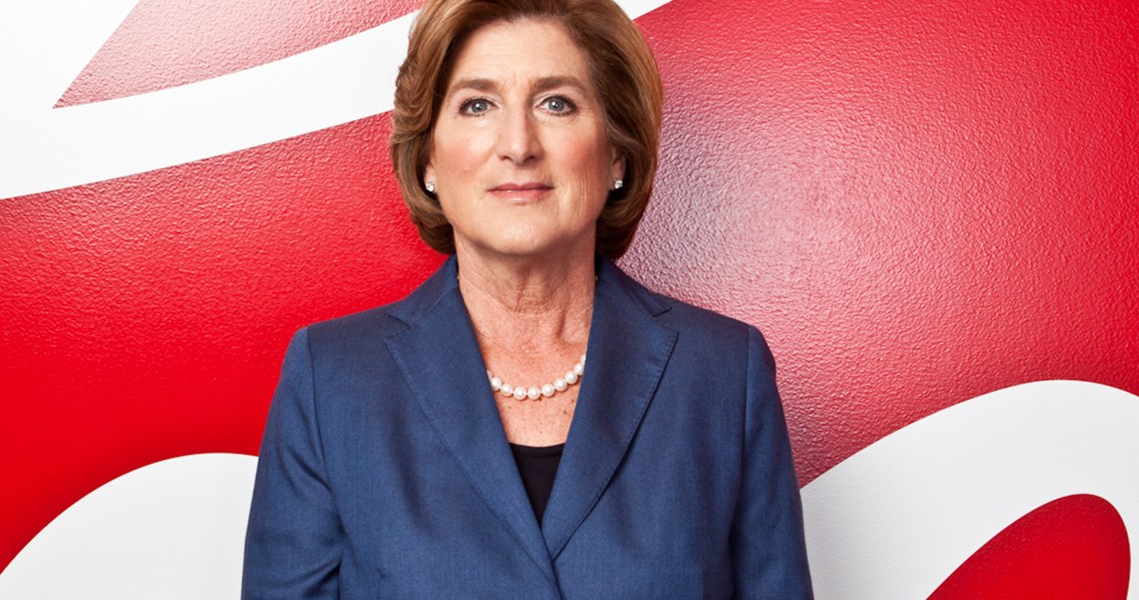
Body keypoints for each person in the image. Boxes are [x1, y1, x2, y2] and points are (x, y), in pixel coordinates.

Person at [241, 0, 813, 597]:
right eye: (477, 105)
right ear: (428, 157)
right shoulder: (331, 379)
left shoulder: (725, 373)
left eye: (556, 103)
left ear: (616, 154)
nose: (518, 145)